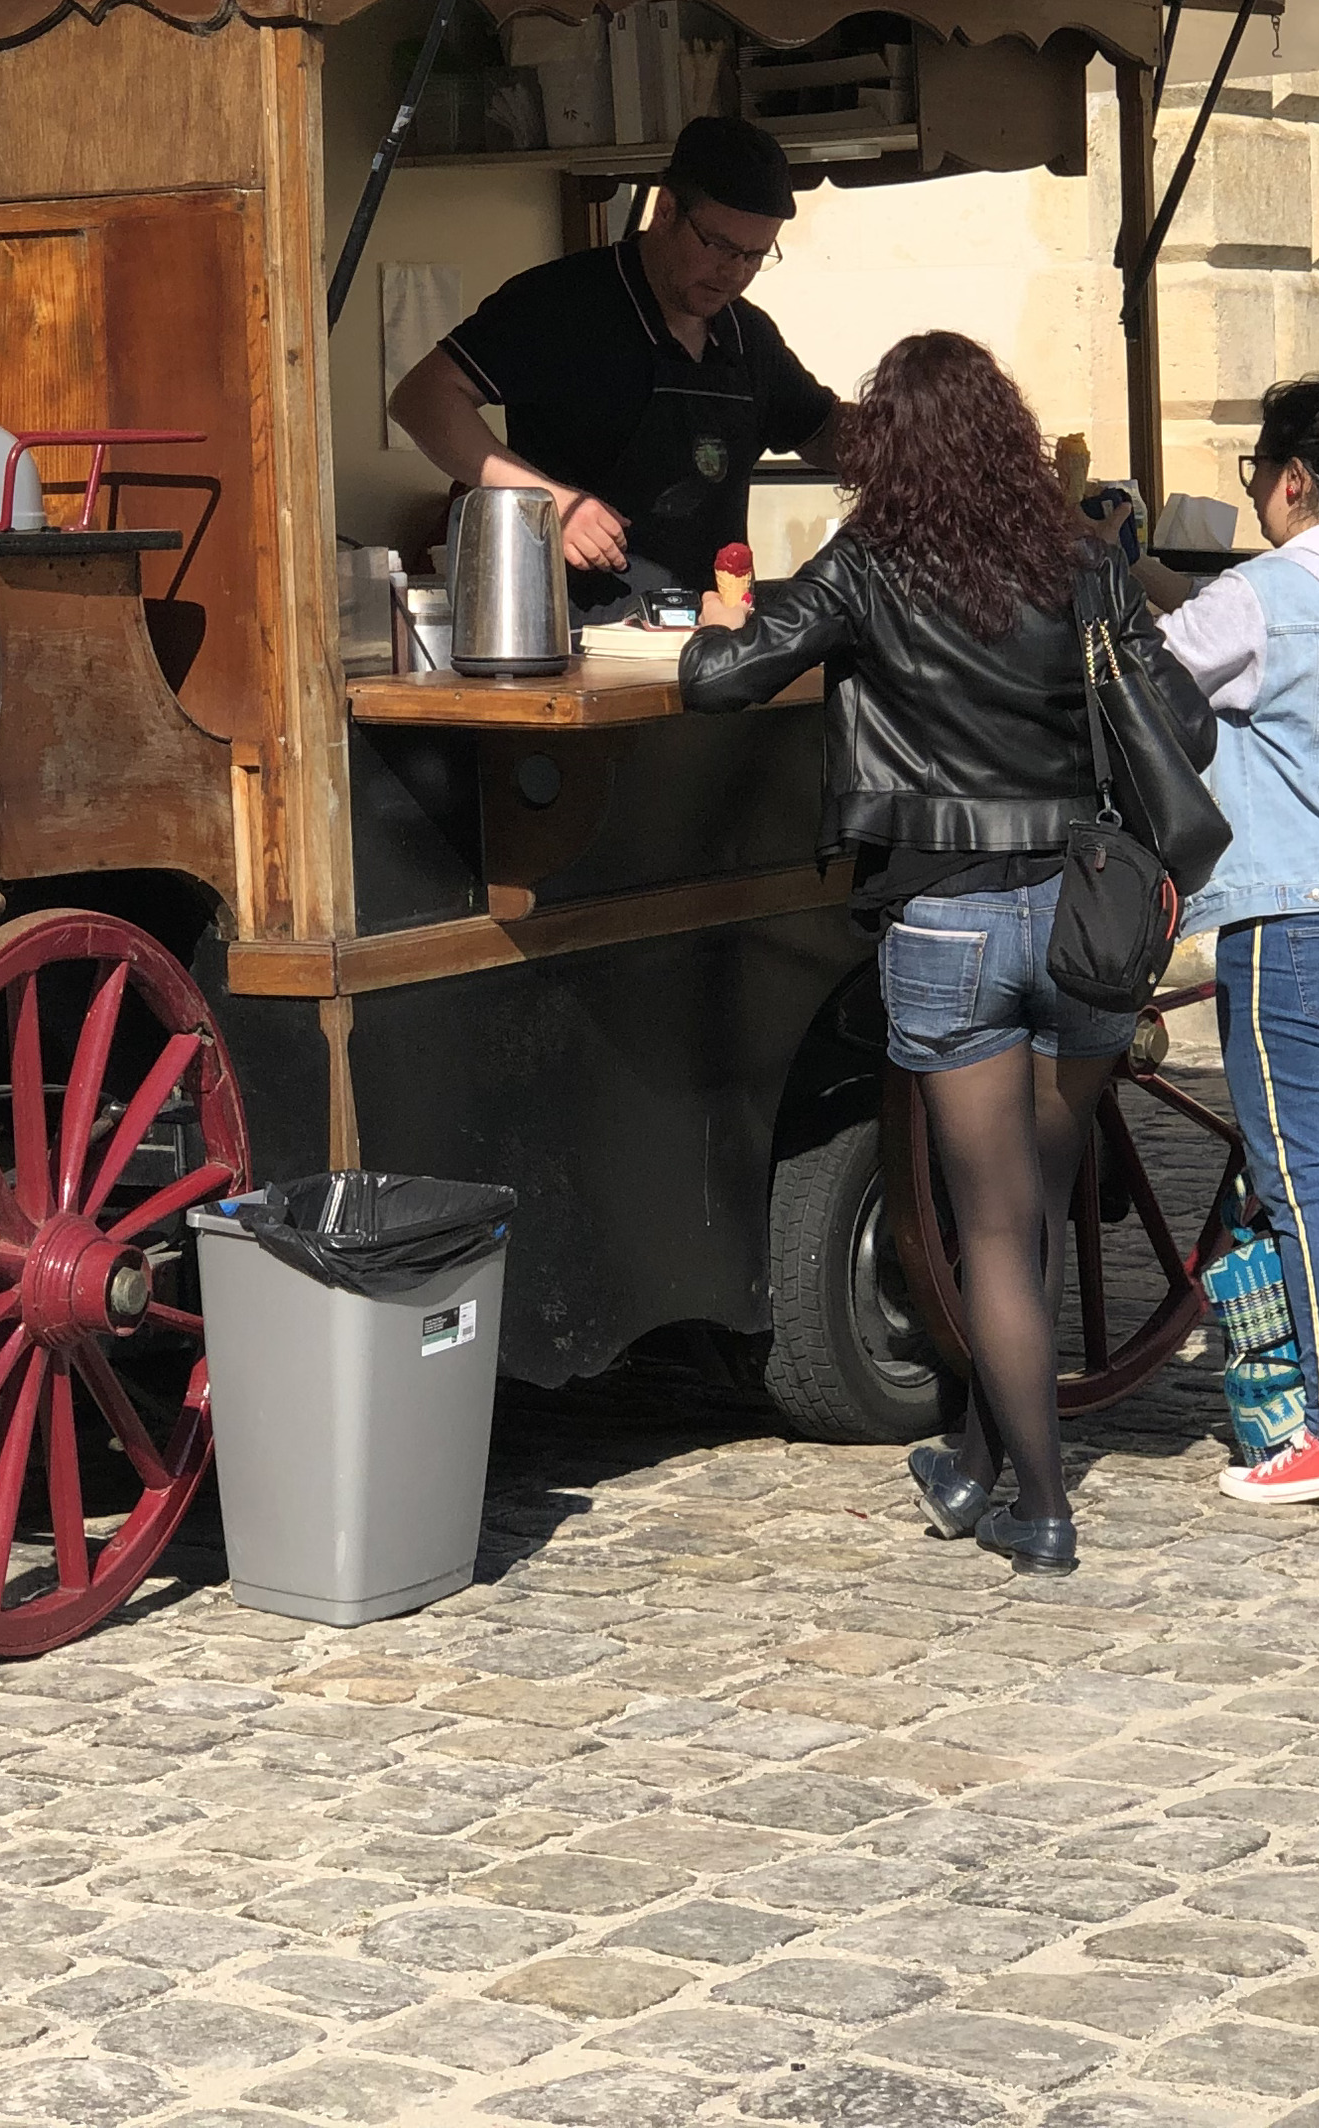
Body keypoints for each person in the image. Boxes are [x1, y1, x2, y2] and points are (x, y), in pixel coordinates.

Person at [680, 332, 1207, 1578]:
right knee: (1028, 1202)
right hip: (1083, 910)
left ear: (891, 449)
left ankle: (1040, 1505)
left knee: (987, 1224)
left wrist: (719, 619)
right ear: (1006, 434)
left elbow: (720, 681)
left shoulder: (868, 563)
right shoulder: (1083, 557)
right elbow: (1176, 711)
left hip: (952, 915)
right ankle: (976, 1458)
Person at [1132, 370, 1319, 1506]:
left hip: (1288, 919)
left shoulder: (1260, 595)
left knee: (1297, 1175)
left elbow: (1151, 671)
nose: (1253, 489)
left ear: (1292, 481)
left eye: (1256, 473)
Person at [387, 114, 849, 616]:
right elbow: (422, 398)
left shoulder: (748, 335)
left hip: (713, 643)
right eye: (720, 247)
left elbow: (822, 432)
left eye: (755, 256)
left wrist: (921, 438)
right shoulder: (562, 304)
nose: (734, 272)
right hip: (579, 638)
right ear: (666, 209)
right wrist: (549, 504)